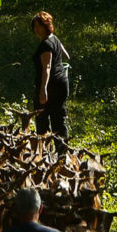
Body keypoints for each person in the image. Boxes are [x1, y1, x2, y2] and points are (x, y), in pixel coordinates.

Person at [31, 11, 70, 141]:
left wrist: (43, 90)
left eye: (39, 26)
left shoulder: (45, 46)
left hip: (51, 86)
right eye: (35, 26)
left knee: (42, 121)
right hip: (62, 83)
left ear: (46, 26)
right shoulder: (54, 38)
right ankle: (62, 150)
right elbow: (66, 55)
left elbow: (46, 68)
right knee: (58, 119)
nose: (36, 29)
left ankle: (44, 150)